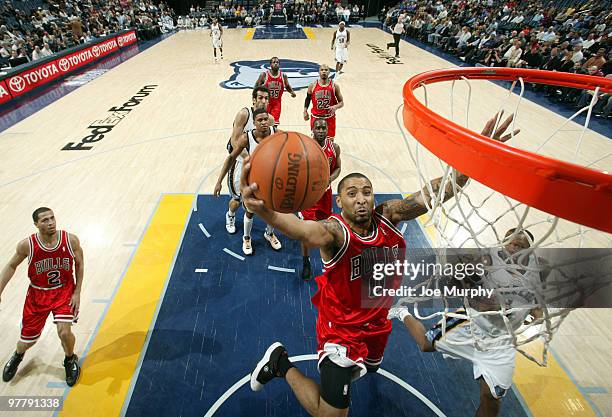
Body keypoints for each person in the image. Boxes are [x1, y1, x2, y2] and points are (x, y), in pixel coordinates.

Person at [245, 113, 519, 416]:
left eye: (367, 192)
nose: (361, 199)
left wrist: (477, 158)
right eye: (351, 194)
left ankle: (361, 361)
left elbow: (437, 191)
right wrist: (264, 212)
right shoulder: (335, 232)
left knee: (372, 367)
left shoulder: (389, 215)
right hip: (342, 330)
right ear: (339, 202)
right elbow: (301, 231)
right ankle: (280, 363)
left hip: (377, 317)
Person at [388, 228, 541, 417]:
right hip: (472, 325)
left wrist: (537, 311)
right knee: (426, 344)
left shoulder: (535, 271)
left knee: (491, 400)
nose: (512, 247)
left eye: (519, 245)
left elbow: (537, 299)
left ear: (529, 251)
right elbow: (461, 288)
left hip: (501, 342)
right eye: (509, 242)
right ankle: (402, 312)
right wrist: (480, 299)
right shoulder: (486, 260)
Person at [1, 208, 83, 386]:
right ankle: (18, 355)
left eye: (52, 218)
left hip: (63, 291)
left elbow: (79, 263)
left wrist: (77, 292)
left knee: (64, 332)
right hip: (38, 295)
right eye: (45, 220)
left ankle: (70, 359)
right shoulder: (27, 245)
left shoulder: (70, 240)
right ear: (36, 225)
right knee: (26, 341)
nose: (51, 222)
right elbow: (11, 265)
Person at [214, 107, 282, 255]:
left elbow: (292, 145)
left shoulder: (276, 133)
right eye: (260, 120)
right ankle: (246, 238)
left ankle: (269, 234)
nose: (264, 122)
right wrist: (219, 181)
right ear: (254, 122)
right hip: (253, 181)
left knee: (272, 209)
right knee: (249, 211)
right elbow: (231, 158)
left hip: (270, 179)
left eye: (266, 120)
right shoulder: (247, 138)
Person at [219, 86, 274, 235]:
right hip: (239, 163)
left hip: (257, 166)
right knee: (237, 200)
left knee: (261, 200)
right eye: (260, 97)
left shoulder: (269, 120)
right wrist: (252, 158)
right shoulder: (245, 114)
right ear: (254, 100)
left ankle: (263, 233)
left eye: (266, 98)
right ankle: (230, 215)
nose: (263, 101)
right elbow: (235, 140)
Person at [299, 119, 341, 281]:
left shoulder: (334, 148)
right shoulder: (305, 147)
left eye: (324, 127)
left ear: (328, 129)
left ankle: (329, 260)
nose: (321, 130)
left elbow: (338, 168)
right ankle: (306, 262)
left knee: (326, 228)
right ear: (313, 129)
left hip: (325, 195)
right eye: (318, 127)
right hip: (309, 195)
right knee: (305, 232)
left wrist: (330, 179)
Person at [304, 64, 344, 139]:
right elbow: (308, 99)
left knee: (330, 142)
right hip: (316, 118)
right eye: (322, 70)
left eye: (326, 70)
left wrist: (335, 107)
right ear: (319, 72)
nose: (324, 72)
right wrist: (305, 111)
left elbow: (341, 103)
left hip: (329, 118)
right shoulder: (312, 86)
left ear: (329, 72)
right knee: (316, 142)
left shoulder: (334, 86)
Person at [255, 57, 296, 126]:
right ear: (270, 65)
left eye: (277, 62)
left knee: (274, 124)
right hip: (265, 103)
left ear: (279, 64)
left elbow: (287, 85)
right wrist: (256, 100)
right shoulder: (264, 75)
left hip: (277, 103)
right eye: (273, 62)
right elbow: (256, 87)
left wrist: (292, 92)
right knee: (264, 123)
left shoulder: (283, 76)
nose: (275, 64)